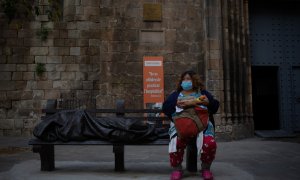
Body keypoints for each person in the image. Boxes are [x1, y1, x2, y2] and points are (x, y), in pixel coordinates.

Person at [162, 70, 219, 180]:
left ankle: (205, 168)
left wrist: (208, 103)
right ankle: (177, 169)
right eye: (184, 79)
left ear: (194, 80)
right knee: (176, 143)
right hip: (181, 126)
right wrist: (175, 104)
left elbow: (215, 107)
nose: (186, 81)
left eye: (188, 79)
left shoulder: (203, 93)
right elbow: (165, 108)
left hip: (202, 127)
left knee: (209, 143)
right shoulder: (176, 95)